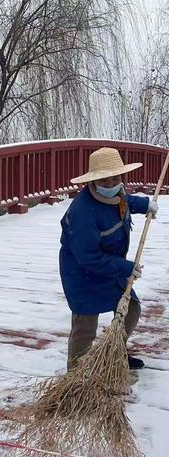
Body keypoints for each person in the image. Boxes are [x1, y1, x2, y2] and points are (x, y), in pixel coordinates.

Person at [59, 147, 159, 371]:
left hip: (110, 265)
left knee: (130, 308)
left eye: (116, 178)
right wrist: (125, 267)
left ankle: (115, 353)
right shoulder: (82, 213)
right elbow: (88, 257)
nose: (111, 184)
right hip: (82, 273)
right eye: (105, 180)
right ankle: (76, 372)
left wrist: (144, 205)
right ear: (93, 180)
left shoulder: (115, 192)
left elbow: (123, 202)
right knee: (85, 324)